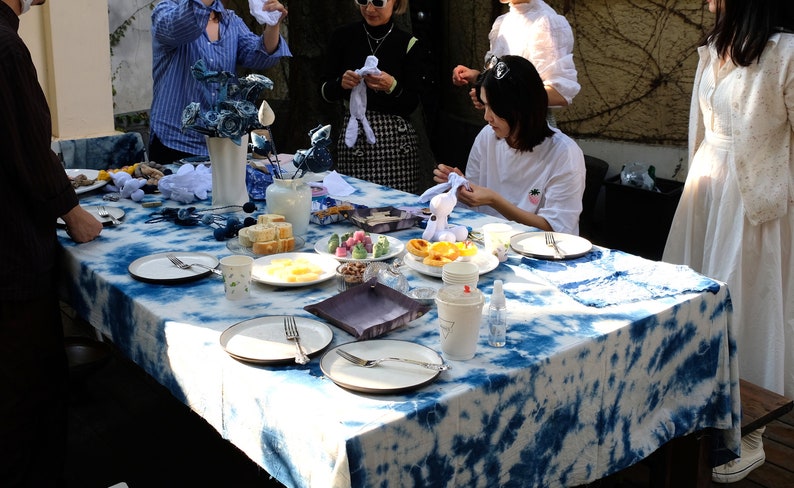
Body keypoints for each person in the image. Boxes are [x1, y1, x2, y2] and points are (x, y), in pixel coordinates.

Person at [662, 0, 794, 483]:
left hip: (752, 201)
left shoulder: (786, 52)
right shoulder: (717, 46)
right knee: (695, 296)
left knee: (747, 307)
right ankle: (696, 404)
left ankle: (751, 431)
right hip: (706, 188)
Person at [0, 0, 104, 485]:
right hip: (11, 261)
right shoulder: (7, 49)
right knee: (29, 395)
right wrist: (72, 211)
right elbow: (27, 147)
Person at [434, 55, 585, 235]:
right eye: (485, 105)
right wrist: (461, 187)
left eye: (495, 108)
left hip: (544, 253)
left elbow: (555, 229)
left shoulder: (564, 153)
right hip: (486, 244)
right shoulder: (487, 137)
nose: (487, 117)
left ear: (522, 107)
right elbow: (472, 206)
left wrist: (494, 200)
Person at [149, 0, 290, 164]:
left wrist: (273, 25)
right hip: (175, 142)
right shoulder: (165, 11)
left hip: (224, 141)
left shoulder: (230, 20)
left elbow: (260, 57)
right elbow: (185, 23)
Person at [319, 0, 430, 194]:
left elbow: (412, 104)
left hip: (396, 144)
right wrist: (340, 84)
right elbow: (324, 91)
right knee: (353, 204)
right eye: (363, 1)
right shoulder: (343, 36)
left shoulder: (407, 43)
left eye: (378, 2)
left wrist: (392, 86)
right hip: (354, 138)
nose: (369, 9)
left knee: (397, 211)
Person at [451, 0, 579, 119]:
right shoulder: (504, 21)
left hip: (530, 130)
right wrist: (479, 78)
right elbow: (504, 79)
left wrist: (495, 95)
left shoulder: (546, 22)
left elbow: (559, 94)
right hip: (500, 126)